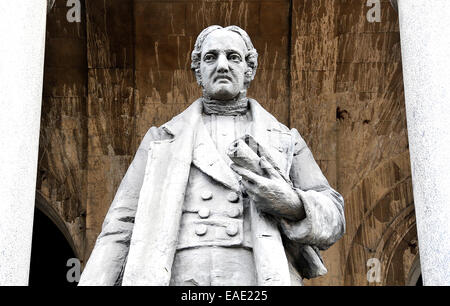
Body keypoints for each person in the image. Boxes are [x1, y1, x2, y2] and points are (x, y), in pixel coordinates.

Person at [78, 25, 345, 286]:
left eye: (233, 57)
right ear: (198, 72)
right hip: (178, 274)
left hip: (255, 272)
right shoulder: (161, 140)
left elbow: (334, 215)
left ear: (249, 69)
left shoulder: (284, 139)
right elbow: (121, 225)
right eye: (210, 57)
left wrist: (293, 204)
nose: (222, 65)